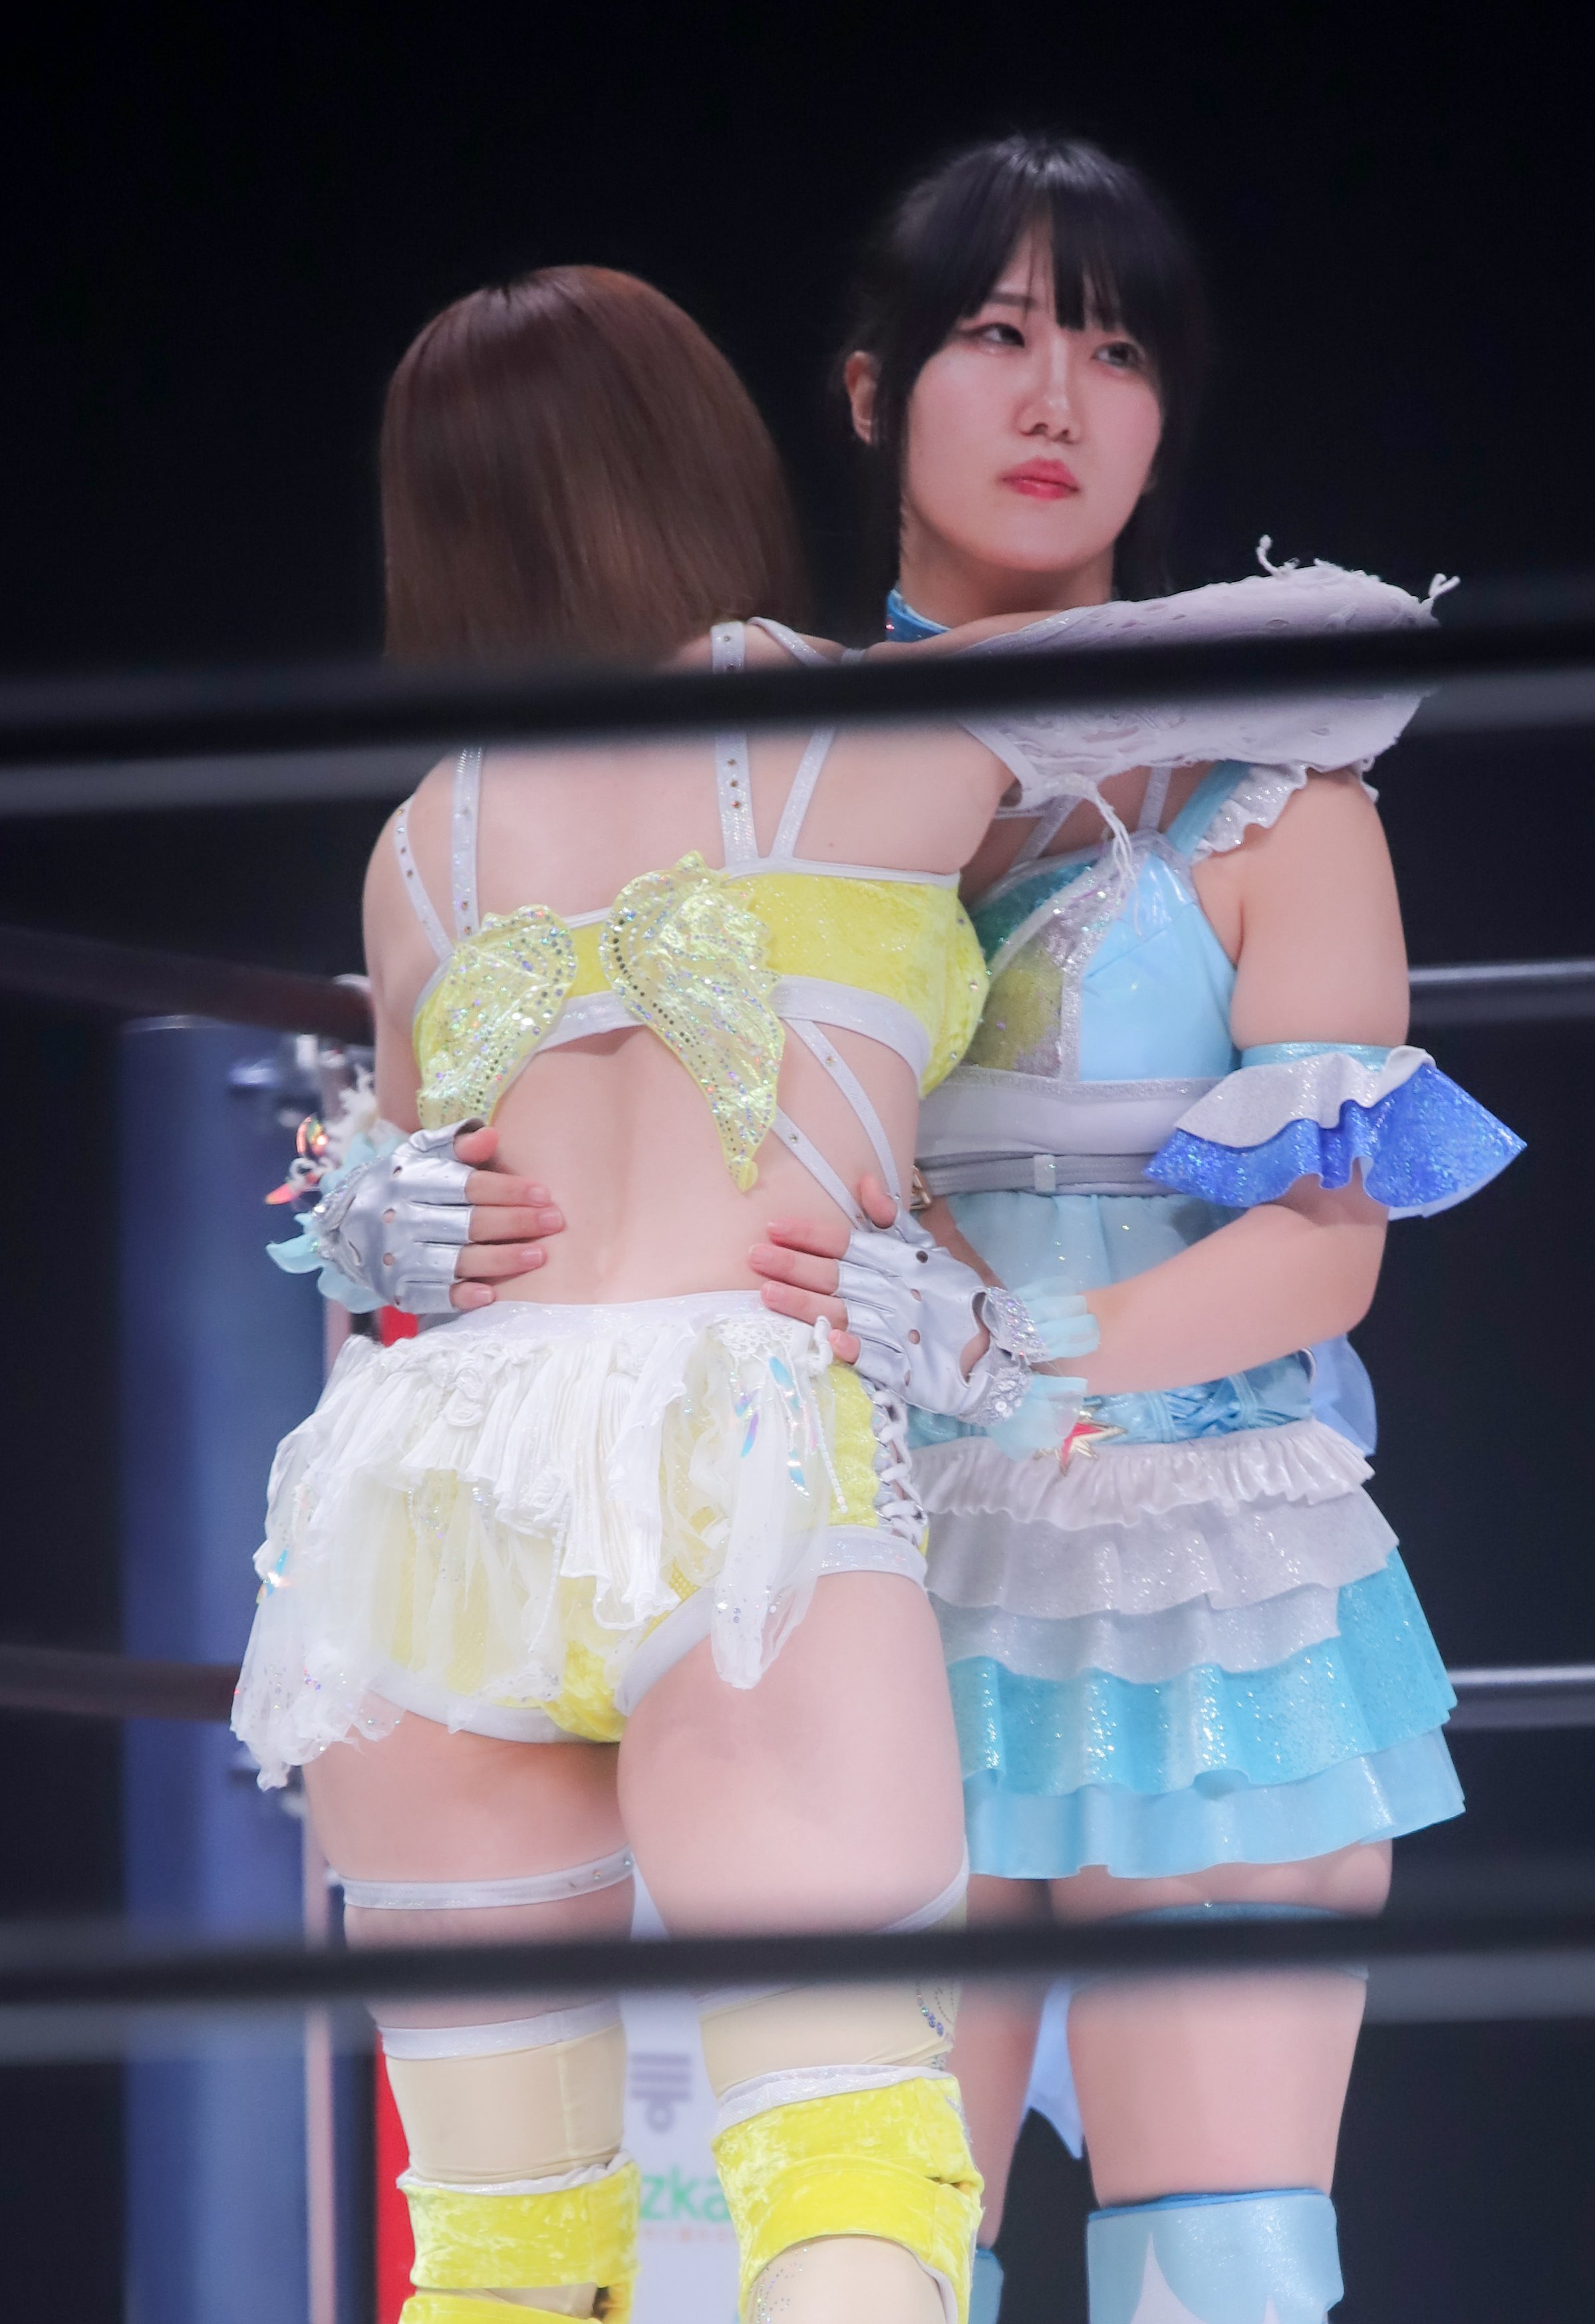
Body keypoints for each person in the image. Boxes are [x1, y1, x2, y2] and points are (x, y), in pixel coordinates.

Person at [247, 259, 1369, 2324]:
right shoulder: (870, 725)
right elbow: (1320, 659)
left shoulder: (419, 842)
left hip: (427, 1492)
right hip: (733, 1449)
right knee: (850, 2164)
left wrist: (379, 1207)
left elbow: (409, 1175)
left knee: (496, 2252)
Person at [743, 135, 1524, 2324]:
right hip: (855, 1559)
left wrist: (1019, 1357)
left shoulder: (1285, 794)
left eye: (1112, 349)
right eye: (997, 335)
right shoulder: (758, 764)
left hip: (1195, 1560)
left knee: (1227, 2263)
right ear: (873, 390)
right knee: (865, 2254)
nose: (1054, 396)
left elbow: (1328, 1247)